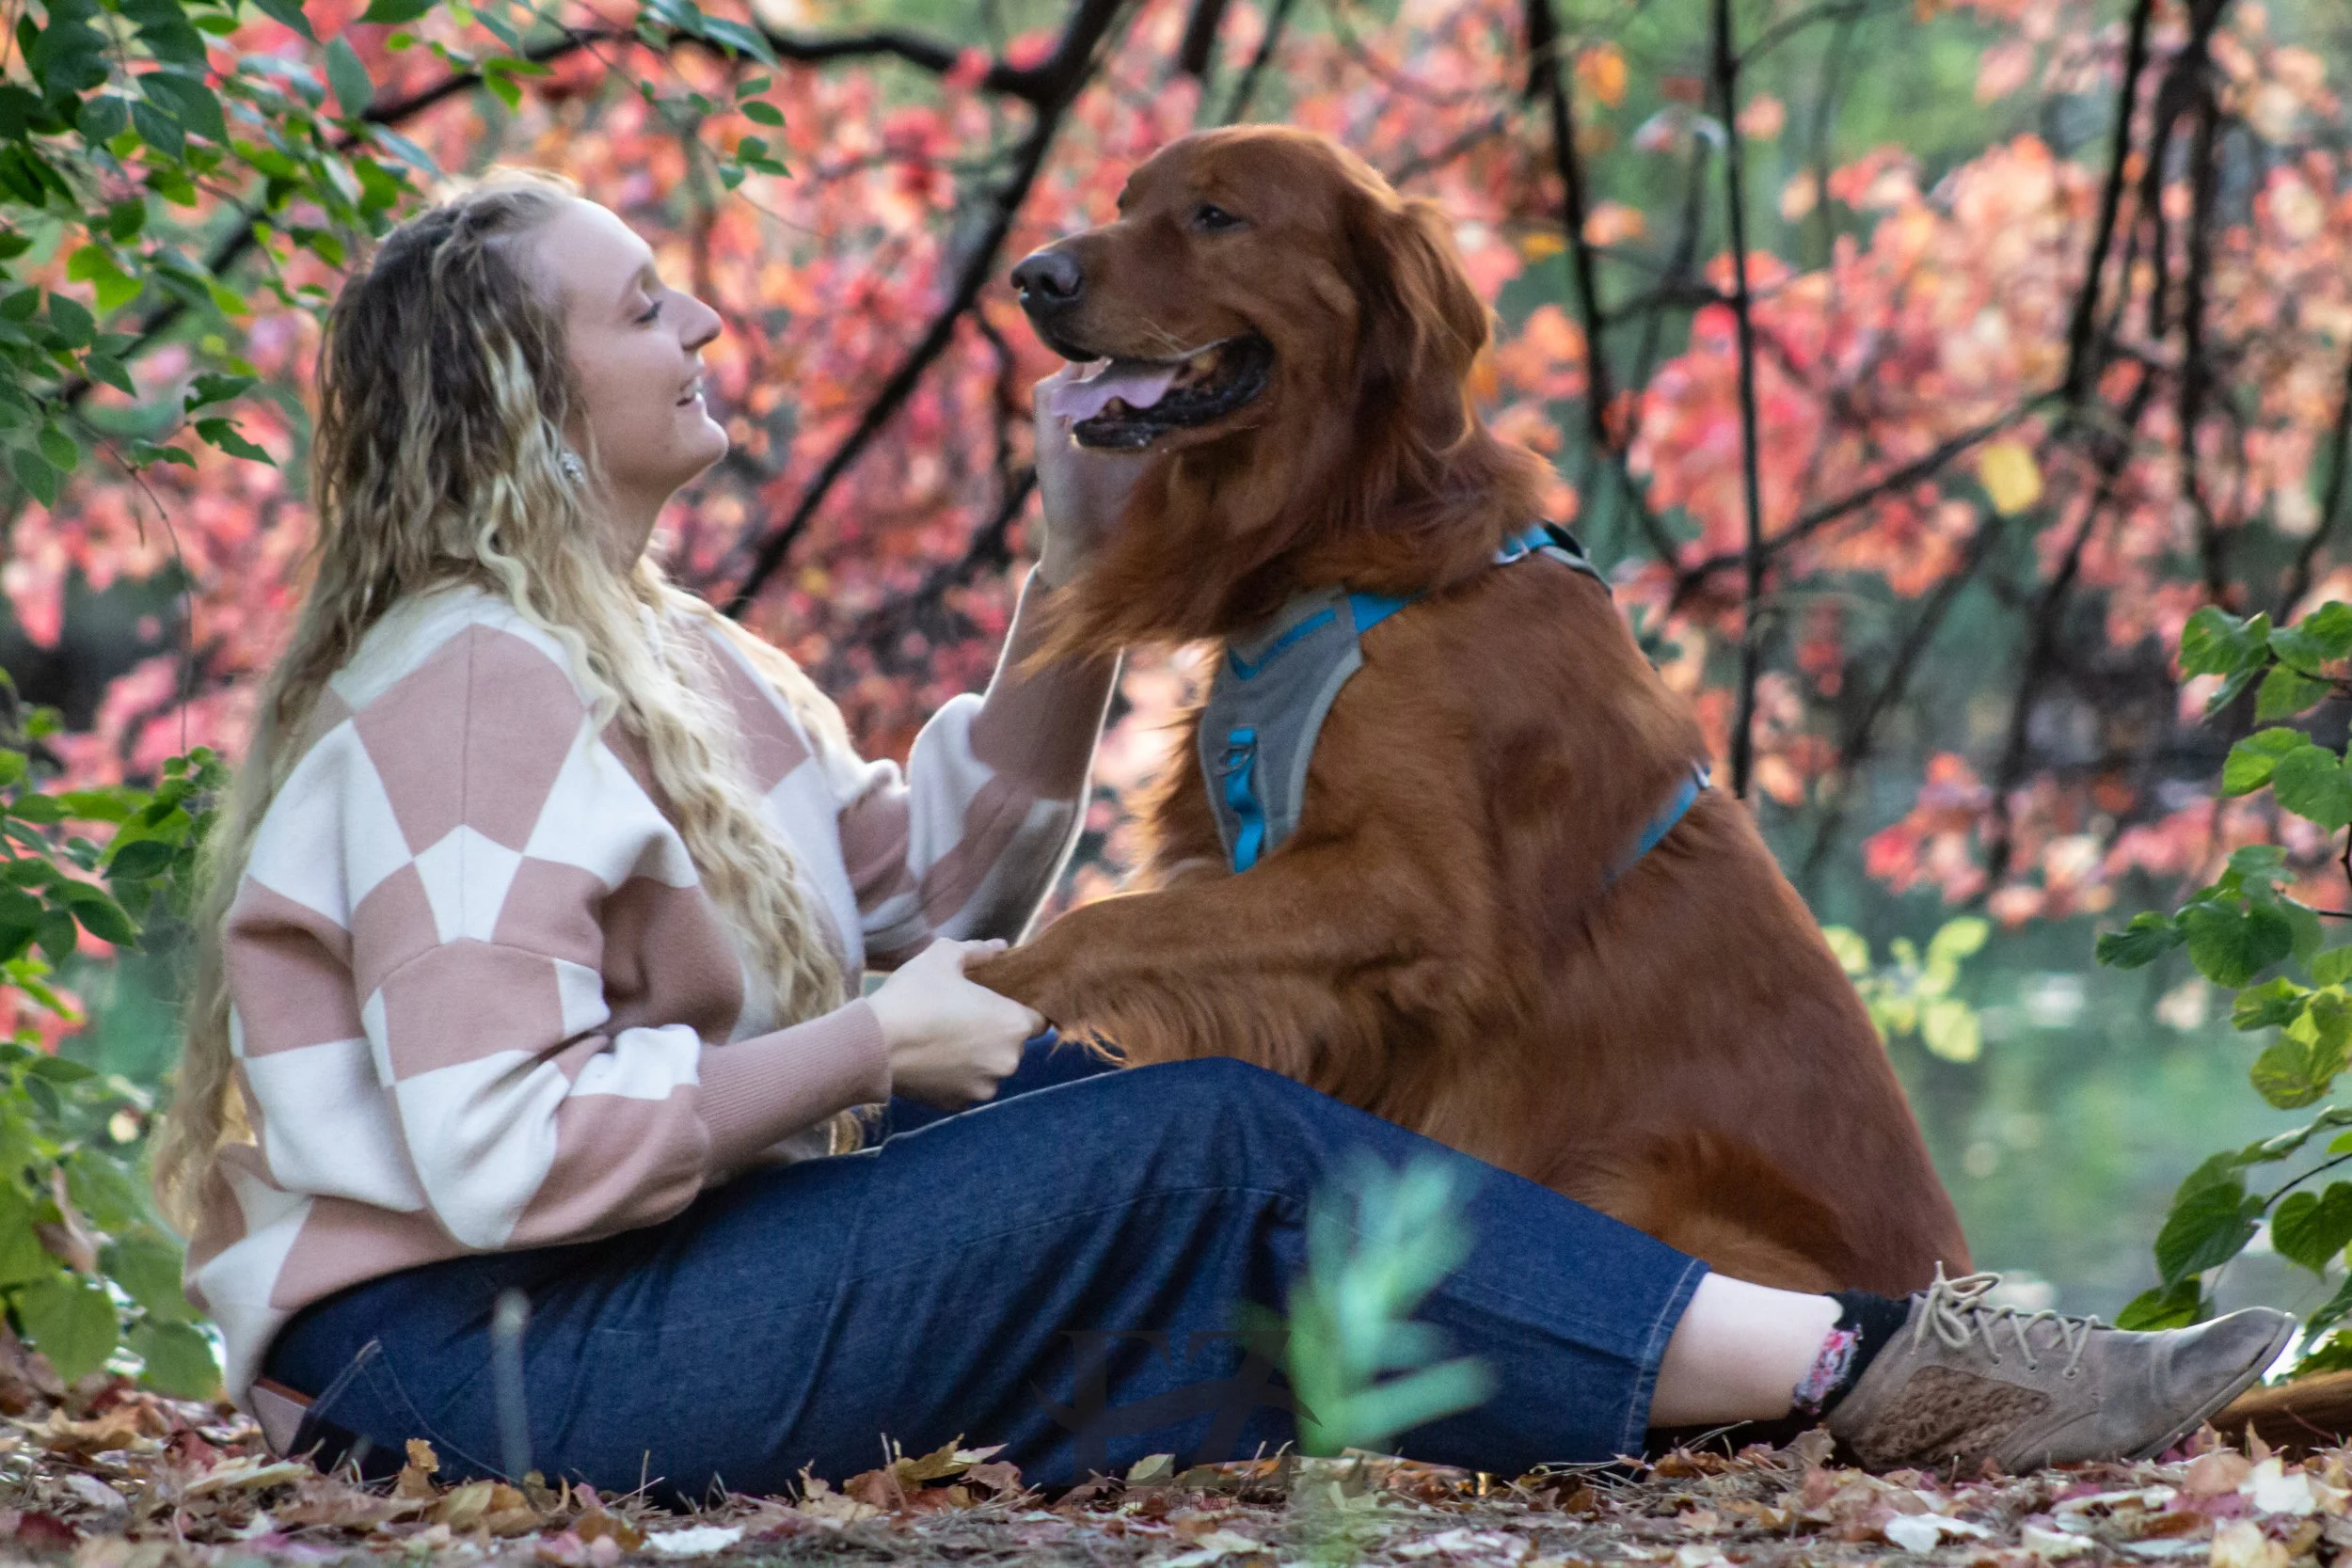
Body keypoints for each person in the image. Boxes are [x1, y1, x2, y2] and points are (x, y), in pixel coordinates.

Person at [155, 171, 2291, 1501]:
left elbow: (915, 894)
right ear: (518, 396)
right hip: (474, 1367)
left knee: (1172, 1193)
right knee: (1191, 1139)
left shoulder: (662, 649)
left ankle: (1760, 1375)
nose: (703, 322)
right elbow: (509, 1153)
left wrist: (1074, 571)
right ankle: (1870, 1364)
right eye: (638, 306)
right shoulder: (461, 685)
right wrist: (870, 1052)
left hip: (626, 1290)